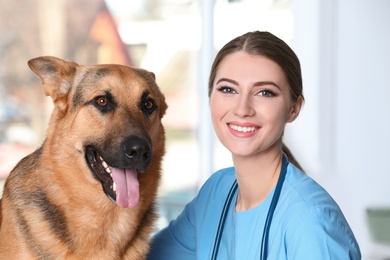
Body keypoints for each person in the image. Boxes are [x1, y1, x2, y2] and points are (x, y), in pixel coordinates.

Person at [147, 31, 361, 259]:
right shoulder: (217, 191)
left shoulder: (311, 221)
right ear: (210, 96)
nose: (242, 109)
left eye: (264, 92)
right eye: (228, 89)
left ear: (293, 108)